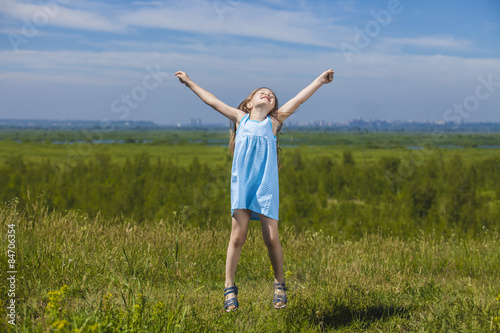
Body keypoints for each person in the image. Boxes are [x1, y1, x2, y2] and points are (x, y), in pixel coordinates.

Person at [175, 69, 334, 311]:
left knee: (271, 238)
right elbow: (212, 100)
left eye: (271, 95)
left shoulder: (274, 123)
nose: (268, 95)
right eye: (262, 93)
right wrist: (189, 83)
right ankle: (229, 287)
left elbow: (300, 98)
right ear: (249, 103)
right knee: (237, 238)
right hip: (243, 186)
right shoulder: (241, 119)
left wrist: (320, 81)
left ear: (273, 108)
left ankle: (279, 284)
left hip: (266, 188)